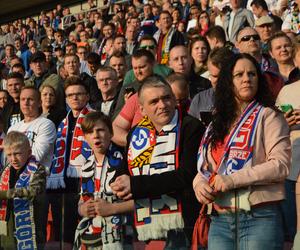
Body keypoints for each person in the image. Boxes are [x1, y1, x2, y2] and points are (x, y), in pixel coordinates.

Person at [193, 53, 291, 250]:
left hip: (258, 216)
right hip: (220, 219)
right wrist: (198, 184)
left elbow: (280, 165)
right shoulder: (216, 123)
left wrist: (232, 179)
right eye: (239, 75)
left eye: (252, 74)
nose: (246, 78)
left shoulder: (269, 116)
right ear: (228, 82)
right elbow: (205, 167)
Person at [111, 78, 206, 248]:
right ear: (142, 109)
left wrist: (134, 185)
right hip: (145, 224)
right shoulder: (136, 132)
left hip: (183, 224)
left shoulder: (191, 127)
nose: (163, 105)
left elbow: (185, 176)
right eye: (154, 101)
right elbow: (126, 168)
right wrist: (119, 182)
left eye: (167, 98)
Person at [74, 111, 133, 249]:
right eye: (90, 132)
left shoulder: (125, 161)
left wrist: (112, 208)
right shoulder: (85, 165)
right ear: (85, 138)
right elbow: (82, 200)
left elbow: (140, 201)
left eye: (100, 130)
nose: (95, 135)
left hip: (120, 234)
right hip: (90, 235)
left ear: (111, 133)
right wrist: (81, 209)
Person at [47, 76, 93, 246]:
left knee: (84, 233)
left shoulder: (95, 118)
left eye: (79, 94)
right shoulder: (62, 122)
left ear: (87, 96)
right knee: (62, 234)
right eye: (70, 95)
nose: (75, 97)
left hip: (85, 183)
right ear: (65, 99)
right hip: (62, 184)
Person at [0, 131, 46, 249]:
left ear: (29, 152)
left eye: (17, 154)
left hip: (32, 225)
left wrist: (5, 194)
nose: (13, 159)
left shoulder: (37, 169)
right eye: (9, 155)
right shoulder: (6, 170)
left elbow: (34, 190)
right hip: (8, 224)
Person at [8, 86, 56, 171]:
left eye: (30, 99)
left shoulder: (46, 124)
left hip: (38, 179)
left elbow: (37, 156)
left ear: (39, 103)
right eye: (22, 99)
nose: (26, 103)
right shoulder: (12, 129)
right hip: (15, 178)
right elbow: (8, 158)